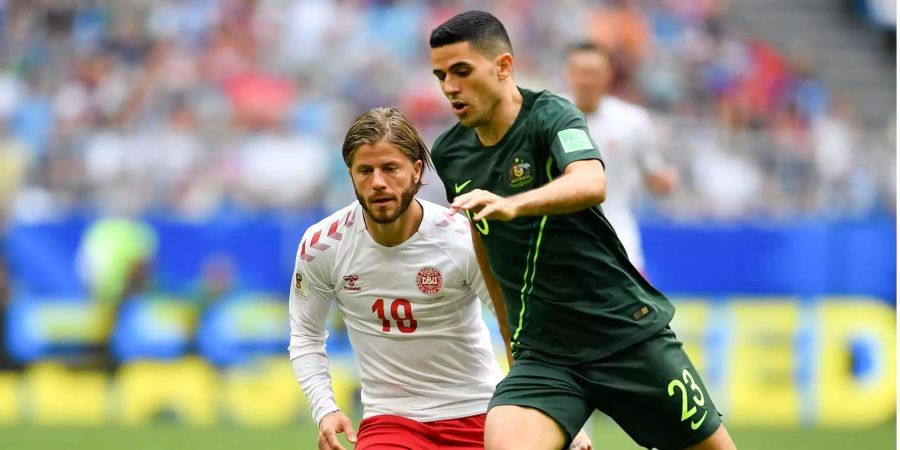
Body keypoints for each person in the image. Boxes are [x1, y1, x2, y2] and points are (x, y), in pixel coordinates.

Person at [428, 10, 737, 450]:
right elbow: (484, 241)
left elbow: (591, 182)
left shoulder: (551, 115)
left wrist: (513, 205)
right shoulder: (451, 151)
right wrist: (509, 335)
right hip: (545, 356)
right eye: (440, 75)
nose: (449, 88)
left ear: (503, 67)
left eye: (461, 71)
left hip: (624, 335)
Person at [287, 107, 592, 450]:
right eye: (365, 171)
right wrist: (325, 409)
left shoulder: (462, 239)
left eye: (390, 168)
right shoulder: (321, 246)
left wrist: (551, 414)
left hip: (479, 411)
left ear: (416, 171)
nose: (378, 183)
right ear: (350, 175)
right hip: (391, 420)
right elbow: (306, 336)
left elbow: (516, 329)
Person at [564, 41, 678, 272]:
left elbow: (653, 175)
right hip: (561, 234)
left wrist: (665, 182)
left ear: (607, 76)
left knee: (639, 306)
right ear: (569, 74)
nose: (587, 81)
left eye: (594, 73)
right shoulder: (546, 114)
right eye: (581, 72)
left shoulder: (632, 121)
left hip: (616, 229)